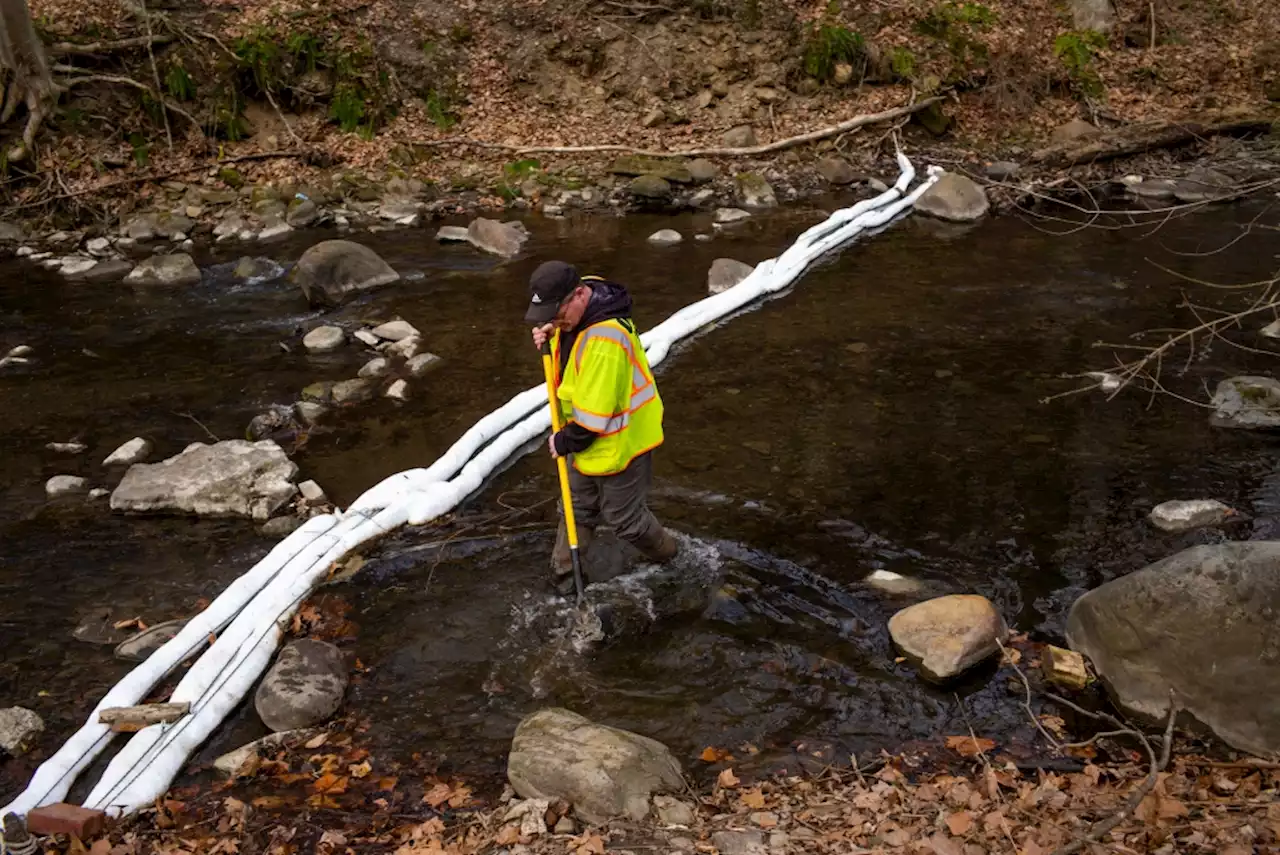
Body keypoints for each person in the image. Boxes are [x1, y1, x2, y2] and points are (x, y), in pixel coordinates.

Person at [524, 259, 678, 594]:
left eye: (557, 314)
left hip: (621, 442)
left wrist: (565, 440)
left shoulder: (606, 341)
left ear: (579, 294)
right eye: (546, 315)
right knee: (576, 508)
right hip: (585, 436)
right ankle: (566, 582)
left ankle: (673, 559)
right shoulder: (583, 303)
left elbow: (594, 417)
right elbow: (571, 350)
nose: (554, 321)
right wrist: (552, 334)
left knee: (625, 521)